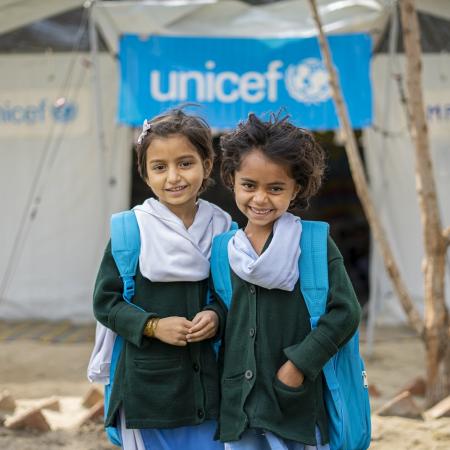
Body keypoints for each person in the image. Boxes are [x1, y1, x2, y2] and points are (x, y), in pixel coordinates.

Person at [213, 113, 361, 450]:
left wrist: (299, 365)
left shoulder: (312, 243)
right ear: (232, 180)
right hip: (240, 408)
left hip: (296, 405)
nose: (260, 199)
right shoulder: (224, 249)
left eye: (275, 188)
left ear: (296, 188)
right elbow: (224, 310)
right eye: (249, 185)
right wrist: (211, 316)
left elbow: (345, 313)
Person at [91, 108, 230, 450]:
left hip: (209, 390)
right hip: (146, 393)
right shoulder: (131, 231)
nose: (173, 177)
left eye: (185, 163)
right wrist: (152, 326)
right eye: (159, 167)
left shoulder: (225, 229)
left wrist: (216, 315)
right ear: (145, 174)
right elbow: (106, 303)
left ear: (207, 165)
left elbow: (234, 296)